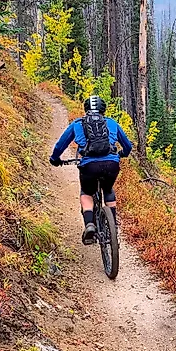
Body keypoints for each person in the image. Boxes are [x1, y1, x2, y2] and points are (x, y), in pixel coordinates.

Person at [49, 95, 133, 244]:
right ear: (103, 110)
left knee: (87, 192)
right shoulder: (111, 123)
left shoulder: (77, 124)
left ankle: (89, 224)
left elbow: (60, 145)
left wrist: (55, 159)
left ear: (86, 109)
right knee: (108, 190)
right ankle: (112, 226)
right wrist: (122, 154)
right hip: (111, 164)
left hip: (89, 166)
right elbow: (128, 146)